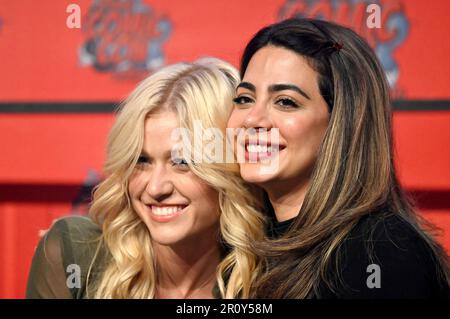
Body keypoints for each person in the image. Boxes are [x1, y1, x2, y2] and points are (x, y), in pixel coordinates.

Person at [227, 18, 450, 298]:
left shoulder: (381, 253)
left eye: (285, 102)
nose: (252, 119)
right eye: (244, 98)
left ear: (341, 123)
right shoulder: (240, 254)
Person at [26, 58, 265, 299]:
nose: (155, 187)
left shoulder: (273, 281)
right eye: (142, 161)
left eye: (182, 162)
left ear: (229, 165)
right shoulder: (75, 256)